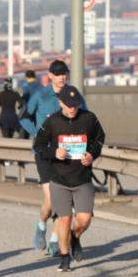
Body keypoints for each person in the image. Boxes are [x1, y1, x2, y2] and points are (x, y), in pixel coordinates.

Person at [33, 85, 105, 272]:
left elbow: (100, 138)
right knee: (64, 220)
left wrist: (92, 154)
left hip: (82, 180)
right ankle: (65, 258)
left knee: (84, 220)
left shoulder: (89, 118)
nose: (72, 108)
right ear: (60, 103)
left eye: (75, 104)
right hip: (60, 180)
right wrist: (53, 152)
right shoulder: (53, 122)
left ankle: (75, 237)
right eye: (68, 104)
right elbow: (38, 145)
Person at [21, 60, 87, 255]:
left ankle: (55, 240)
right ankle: (41, 225)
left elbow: (86, 116)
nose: (61, 77)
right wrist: (37, 133)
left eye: (64, 73)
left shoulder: (74, 93)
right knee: (51, 201)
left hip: (68, 153)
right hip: (44, 153)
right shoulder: (39, 95)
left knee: (63, 200)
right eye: (57, 73)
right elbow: (24, 117)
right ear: (49, 75)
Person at [19, 70, 39, 140]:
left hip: (29, 108)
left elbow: (25, 96)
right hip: (38, 108)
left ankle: (24, 138)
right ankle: (38, 137)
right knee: (38, 124)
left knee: (24, 122)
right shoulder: (39, 85)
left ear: (26, 77)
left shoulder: (26, 86)